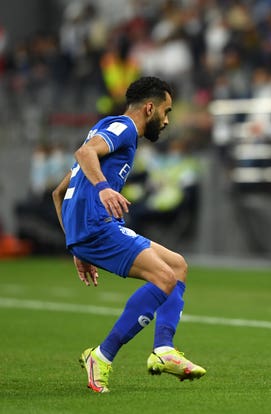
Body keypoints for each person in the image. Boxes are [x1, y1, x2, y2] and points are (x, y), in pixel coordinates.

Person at [51, 76, 206, 393]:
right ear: (150, 108)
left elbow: (59, 192)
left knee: (177, 267)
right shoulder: (122, 128)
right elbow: (84, 154)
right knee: (163, 278)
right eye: (166, 111)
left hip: (89, 228)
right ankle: (102, 356)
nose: (166, 120)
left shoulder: (106, 128)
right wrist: (104, 189)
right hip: (96, 225)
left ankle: (163, 350)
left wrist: (75, 246)